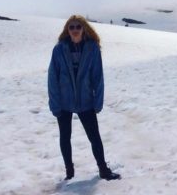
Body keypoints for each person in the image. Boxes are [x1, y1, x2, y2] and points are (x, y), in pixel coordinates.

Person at [47, 14, 121, 181]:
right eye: (71, 27)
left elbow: (97, 77)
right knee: (65, 137)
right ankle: (69, 173)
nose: (74, 30)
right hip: (64, 101)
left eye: (77, 27)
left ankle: (103, 169)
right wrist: (55, 104)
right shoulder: (58, 50)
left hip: (85, 100)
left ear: (83, 29)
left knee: (94, 136)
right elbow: (52, 78)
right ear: (67, 29)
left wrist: (98, 101)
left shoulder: (92, 48)